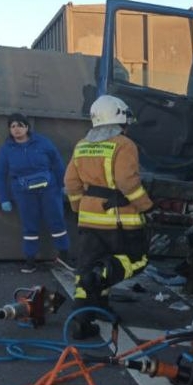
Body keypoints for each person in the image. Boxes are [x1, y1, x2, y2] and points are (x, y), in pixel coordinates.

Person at [63, 95, 153, 321]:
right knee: (136, 260)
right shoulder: (124, 144)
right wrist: (146, 206)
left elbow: (71, 183)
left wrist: (78, 208)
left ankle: (84, 317)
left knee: (87, 265)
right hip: (118, 219)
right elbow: (126, 181)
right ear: (120, 119)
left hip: (87, 219)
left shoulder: (82, 145)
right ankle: (100, 275)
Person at [0, 112, 72, 274]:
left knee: (57, 221)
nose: (16, 129)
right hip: (24, 193)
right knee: (30, 226)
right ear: (9, 130)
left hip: (49, 190)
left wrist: (64, 184)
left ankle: (64, 257)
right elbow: (0, 175)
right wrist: (4, 199)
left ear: (27, 127)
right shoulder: (6, 149)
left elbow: (57, 163)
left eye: (20, 125)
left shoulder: (43, 142)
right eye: (13, 126)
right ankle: (30, 261)